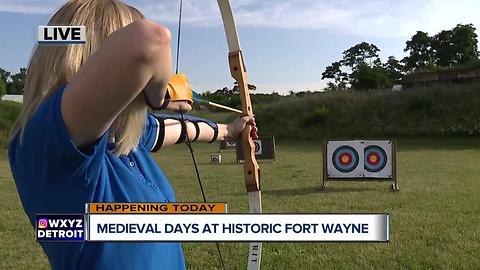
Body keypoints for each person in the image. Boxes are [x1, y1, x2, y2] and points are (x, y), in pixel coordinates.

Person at [8, 0, 257, 269]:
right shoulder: (47, 145)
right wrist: (158, 97)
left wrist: (227, 131)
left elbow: (177, 130)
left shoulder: (119, 139)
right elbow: (150, 40)